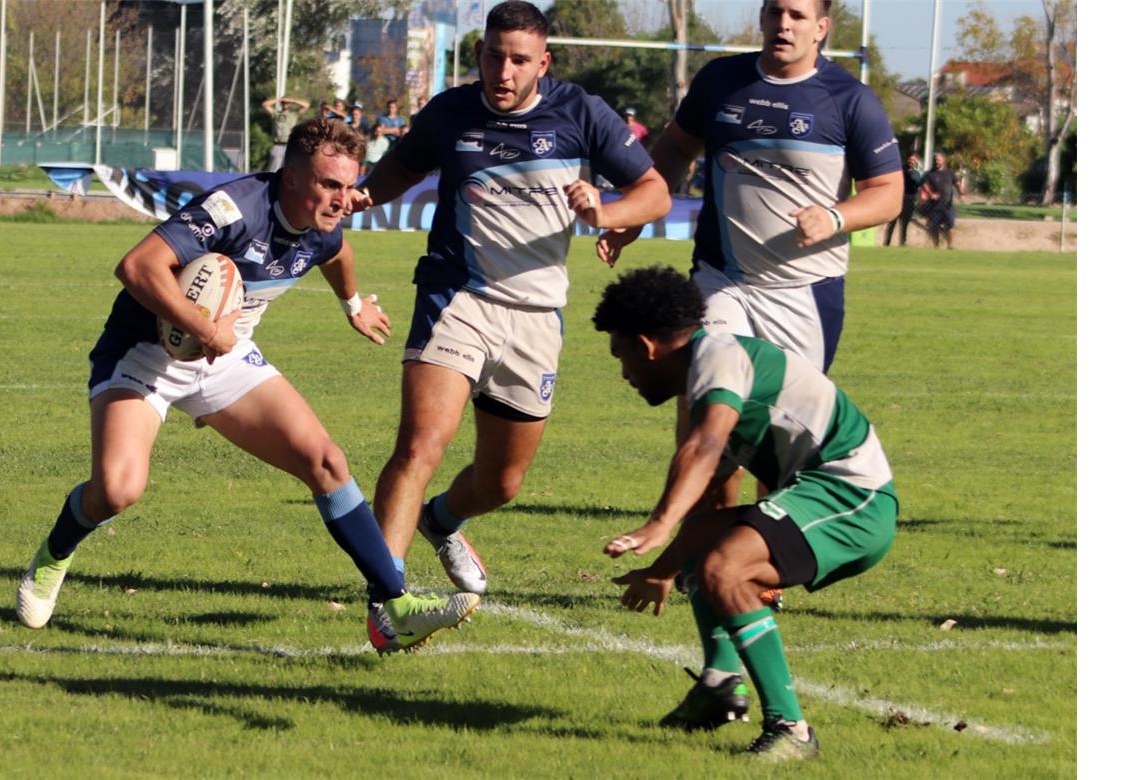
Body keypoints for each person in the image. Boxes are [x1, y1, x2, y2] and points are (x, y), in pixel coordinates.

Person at [14, 119, 479, 653]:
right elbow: (137, 265)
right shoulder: (235, 209)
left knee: (326, 462)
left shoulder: (326, 221)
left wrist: (353, 304)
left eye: (348, 186)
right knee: (117, 491)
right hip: (145, 356)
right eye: (329, 184)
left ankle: (396, 605)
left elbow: (338, 254)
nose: (341, 199)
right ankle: (54, 553)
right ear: (290, 176)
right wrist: (203, 326)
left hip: (226, 360)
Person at [595, 0, 902, 728]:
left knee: (778, 463)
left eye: (798, 13)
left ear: (824, 25)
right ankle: (721, 672)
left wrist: (837, 216)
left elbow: (887, 194)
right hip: (722, 285)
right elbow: (670, 155)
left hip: (804, 294)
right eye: (773, 10)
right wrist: (639, 214)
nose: (783, 23)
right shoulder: (722, 83)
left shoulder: (849, 100)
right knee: (705, 450)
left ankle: (750, 586)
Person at [348, 0, 671, 650]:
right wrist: (352, 195)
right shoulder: (451, 112)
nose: (504, 69)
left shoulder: (580, 114)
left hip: (535, 317)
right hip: (456, 296)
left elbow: (656, 193)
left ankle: (443, 521)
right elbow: (395, 174)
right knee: (420, 446)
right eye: (494, 55)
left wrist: (605, 213)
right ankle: (388, 602)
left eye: (519, 59)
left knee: (502, 482)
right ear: (480, 55)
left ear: (542, 63)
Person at [594, 265, 896, 762]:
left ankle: (792, 730)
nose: (624, 373)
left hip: (852, 500)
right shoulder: (711, 374)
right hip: (825, 495)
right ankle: (718, 683)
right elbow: (705, 500)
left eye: (620, 355)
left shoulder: (717, 355)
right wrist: (662, 570)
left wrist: (658, 524)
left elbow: (705, 444)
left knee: (724, 566)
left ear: (646, 346)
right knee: (707, 543)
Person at [919, 152, 960, 249]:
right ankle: (936, 246)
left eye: (938, 159)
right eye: (935, 159)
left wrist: (961, 193)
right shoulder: (929, 174)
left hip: (948, 205)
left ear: (943, 160)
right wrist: (931, 194)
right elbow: (924, 184)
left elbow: (957, 183)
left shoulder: (950, 172)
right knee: (934, 227)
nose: (936, 161)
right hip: (934, 206)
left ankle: (950, 245)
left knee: (950, 226)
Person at [261, 95, 310, 171]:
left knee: (290, 170)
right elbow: (265, 105)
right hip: (278, 145)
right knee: (273, 170)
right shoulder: (276, 114)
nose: (285, 104)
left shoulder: (294, 114)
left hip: (290, 145)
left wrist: (293, 100)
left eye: (287, 103)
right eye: (284, 103)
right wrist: (279, 100)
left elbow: (306, 105)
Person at [884, 153, 923, 246]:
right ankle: (886, 242)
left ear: (916, 162)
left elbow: (917, 186)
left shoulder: (917, 174)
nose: (911, 162)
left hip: (909, 200)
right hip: (897, 199)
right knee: (891, 223)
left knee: (904, 224)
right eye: (910, 160)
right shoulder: (900, 171)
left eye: (913, 160)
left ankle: (902, 242)